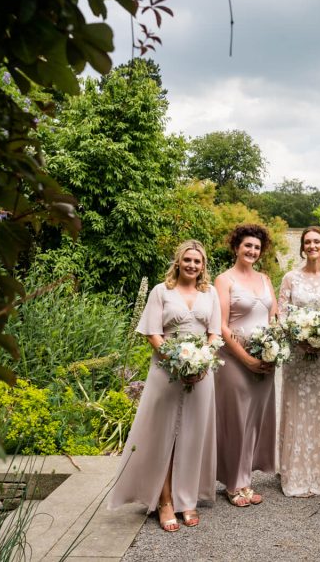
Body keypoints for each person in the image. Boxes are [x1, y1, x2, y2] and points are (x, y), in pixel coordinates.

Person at [108, 240, 220, 532]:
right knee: (164, 436)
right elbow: (154, 333)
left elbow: (214, 333)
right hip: (166, 369)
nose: (192, 266)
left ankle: (187, 497)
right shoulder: (161, 291)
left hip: (201, 372)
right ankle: (165, 499)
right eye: (187, 260)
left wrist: (201, 362)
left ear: (203, 266)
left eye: (197, 261)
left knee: (193, 435)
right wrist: (177, 362)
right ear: (178, 262)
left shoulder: (210, 293)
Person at [277, 226, 320, 497]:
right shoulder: (290, 278)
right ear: (302, 248)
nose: (312, 246)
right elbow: (282, 315)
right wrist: (300, 338)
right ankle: (294, 471)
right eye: (307, 242)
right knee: (296, 405)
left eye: (317, 241)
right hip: (296, 352)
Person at [214, 223, 277, 507]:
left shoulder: (265, 278)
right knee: (236, 420)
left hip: (264, 360)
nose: (252, 250)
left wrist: (272, 351)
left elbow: (274, 318)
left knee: (256, 420)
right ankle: (233, 483)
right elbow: (222, 326)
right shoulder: (224, 280)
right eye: (247, 245)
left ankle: (246, 480)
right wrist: (247, 359)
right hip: (234, 359)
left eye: (256, 247)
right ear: (236, 247)